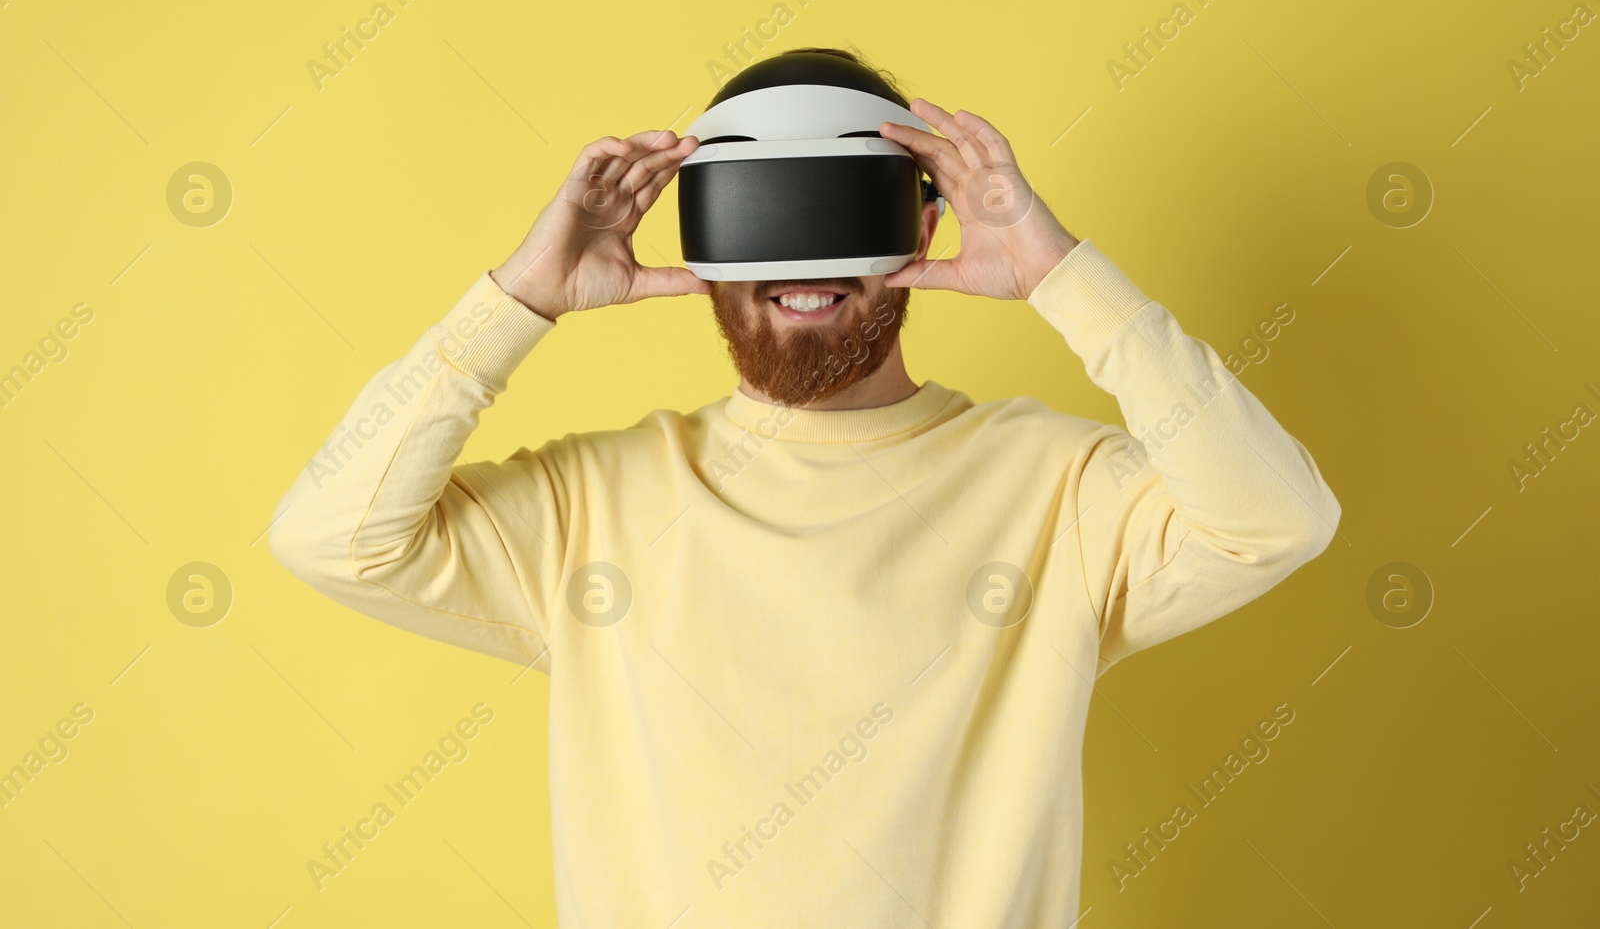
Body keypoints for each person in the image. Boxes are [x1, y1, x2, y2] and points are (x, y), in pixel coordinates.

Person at [268, 46, 1340, 926]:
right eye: (765, 213)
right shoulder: (593, 503)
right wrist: (519, 299)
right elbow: (332, 535)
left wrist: (1059, 273)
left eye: (836, 207)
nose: (802, 267)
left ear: (920, 226)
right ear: (703, 235)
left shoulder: (1055, 490)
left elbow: (1275, 517)